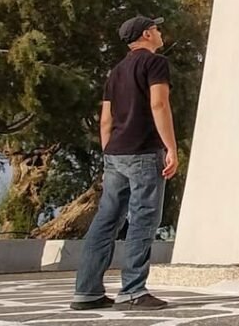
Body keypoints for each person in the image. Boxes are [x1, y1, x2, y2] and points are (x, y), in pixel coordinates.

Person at [71, 15, 178, 311]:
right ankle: (133, 290)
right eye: (156, 28)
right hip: (143, 151)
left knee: (106, 220)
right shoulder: (155, 64)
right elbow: (159, 104)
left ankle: (87, 291)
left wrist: (110, 154)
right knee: (144, 218)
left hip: (115, 153)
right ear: (146, 34)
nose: (159, 32)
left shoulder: (116, 72)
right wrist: (171, 147)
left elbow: (106, 119)